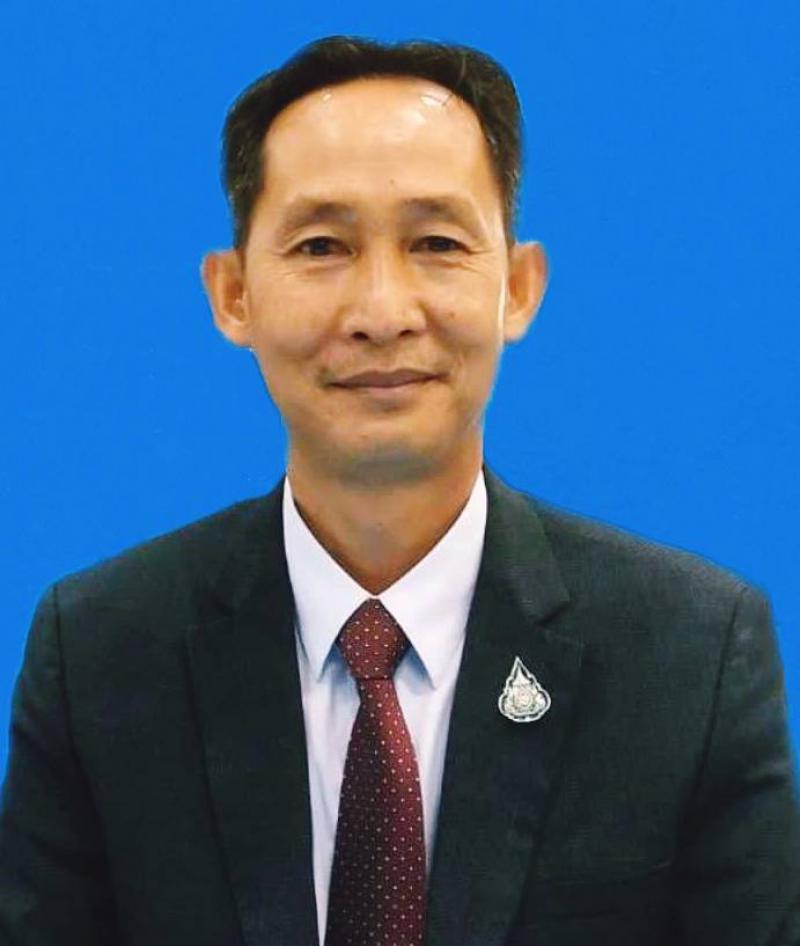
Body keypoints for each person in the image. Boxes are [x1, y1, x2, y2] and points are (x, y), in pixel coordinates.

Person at [1, 34, 798, 946]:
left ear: (519, 287)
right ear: (232, 295)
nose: (382, 313)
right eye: (321, 245)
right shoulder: (100, 654)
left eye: (436, 243)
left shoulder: (691, 657)